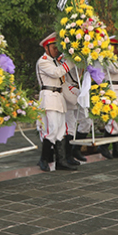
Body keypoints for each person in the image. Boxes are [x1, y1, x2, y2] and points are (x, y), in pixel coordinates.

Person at [35, 33, 80, 171]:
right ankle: (43, 159)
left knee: (61, 130)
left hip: (58, 97)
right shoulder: (43, 61)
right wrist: (71, 61)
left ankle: (61, 161)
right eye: (54, 48)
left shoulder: (55, 61)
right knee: (52, 129)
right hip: (49, 96)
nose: (56, 51)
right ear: (46, 48)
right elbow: (56, 73)